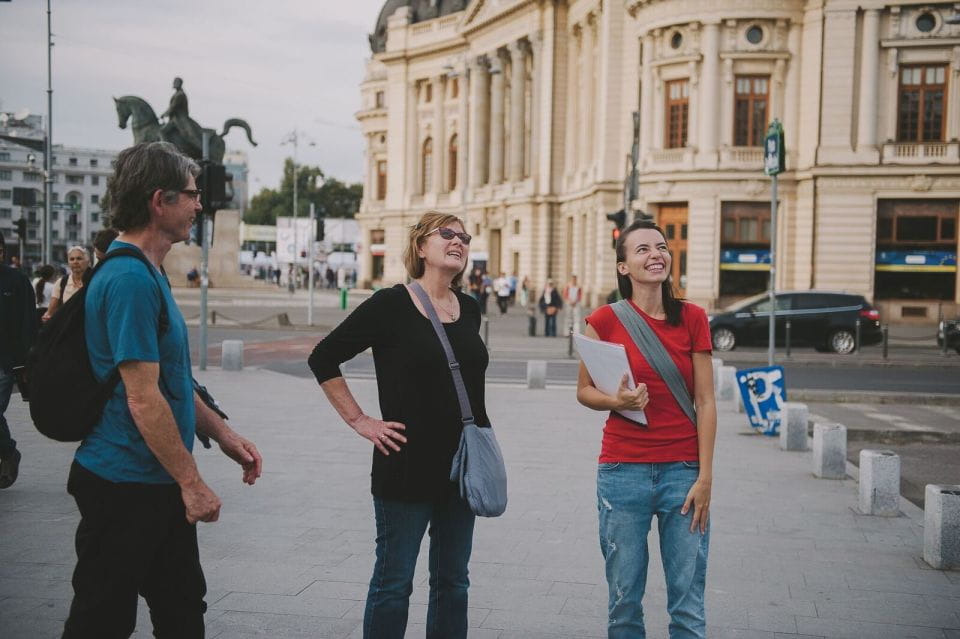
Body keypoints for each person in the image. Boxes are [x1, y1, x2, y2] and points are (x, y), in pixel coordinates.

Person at [61, 141, 263, 638]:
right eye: (192, 194)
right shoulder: (129, 278)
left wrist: (224, 435)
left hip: (156, 482)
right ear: (160, 200)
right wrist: (192, 484)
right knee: (101, 621)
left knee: (182, 613)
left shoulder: (151, 273)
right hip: (122, 483)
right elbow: (142, 397)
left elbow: (172, 382)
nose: (199, 204)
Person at [308, 211, 487, 639]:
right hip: (405, 463)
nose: (458, 240)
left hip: (462, 467)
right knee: (394, 583)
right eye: (446, 233)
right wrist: (360, 419)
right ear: (421, 247)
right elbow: (323, 357)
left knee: (453, 582)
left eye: (463, 235)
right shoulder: (390, 305)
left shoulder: (471, 309)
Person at [575, 220, 716, 638]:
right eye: (642, 250)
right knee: (624, 604)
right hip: (622, 472)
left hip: (683, 474)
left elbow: (706, 401)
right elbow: (584, 391)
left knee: (688, 607)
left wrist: (705, 478)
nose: (656, 254)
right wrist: (616, 401)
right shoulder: (604, 320)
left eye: (661, 246)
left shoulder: (692, 317)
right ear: (623, 268)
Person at [0, 230, 37, 489]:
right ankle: (8, 452)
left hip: (4, 362)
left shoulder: (16, 281)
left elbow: (27, 324)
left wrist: (23, 363)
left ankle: (9, 451)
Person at [43, 245, 90, 321]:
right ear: (68, 262)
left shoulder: (93, 281)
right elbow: (50, 312)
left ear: (87, 261)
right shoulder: (61, 283)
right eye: (72, 259)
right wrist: (46, 317)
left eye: (79, 258)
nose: (75, 262)